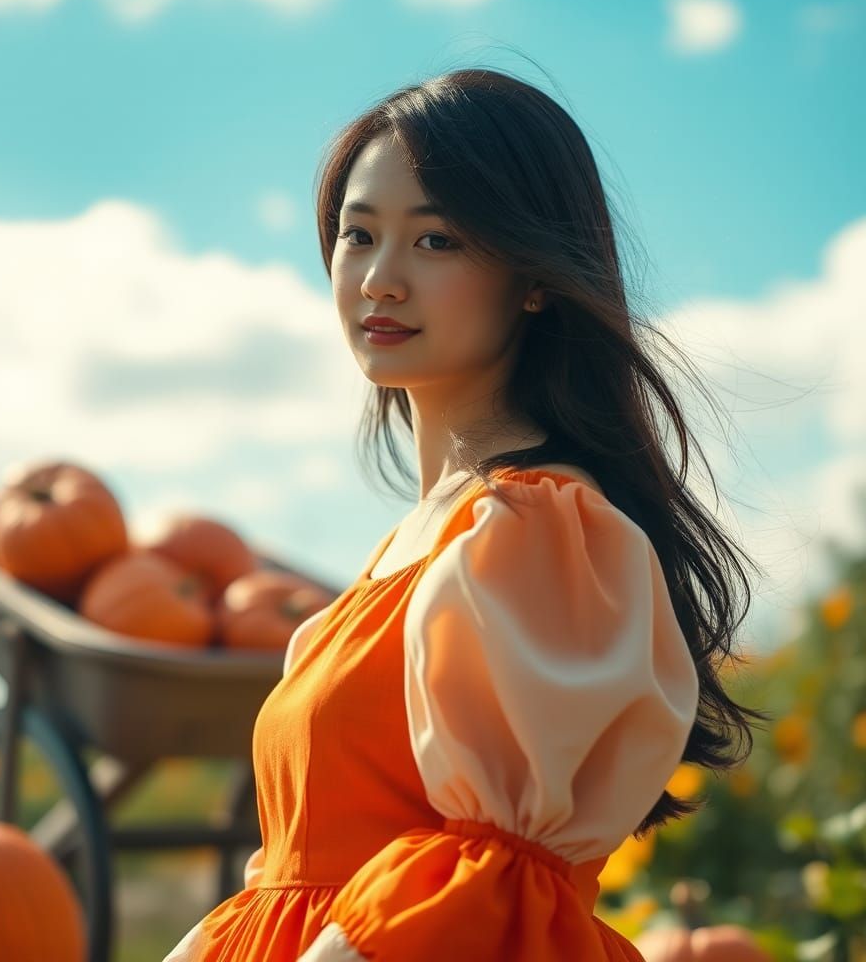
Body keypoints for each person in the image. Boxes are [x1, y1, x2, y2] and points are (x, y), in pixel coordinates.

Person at [163, 65, 769, 961]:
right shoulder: (394, 564)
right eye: (356, 235)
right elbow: (281, 883)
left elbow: (486, 875)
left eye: (437, 241)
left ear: (533, 277)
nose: (380, 279)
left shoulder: (538, 529)